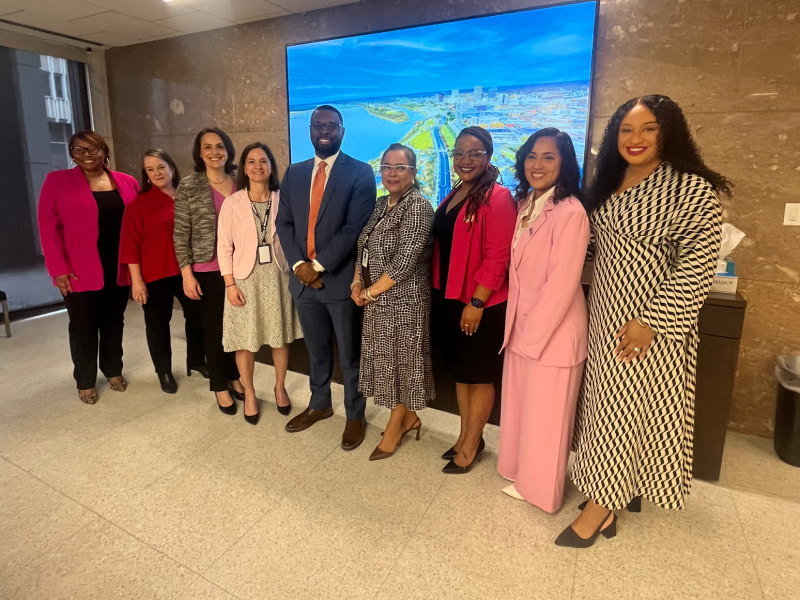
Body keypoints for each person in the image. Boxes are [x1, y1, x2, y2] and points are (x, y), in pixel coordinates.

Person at [560, 95, 730, 548]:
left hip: (646, 324)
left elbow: (697, 263)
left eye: (648, 129)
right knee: (604, 410)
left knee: (622, 414)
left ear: (668, 132)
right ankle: (611, 495)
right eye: (626, 130)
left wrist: (651, 321)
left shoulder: (691, 189)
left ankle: (600, 508)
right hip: (605, 315)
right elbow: (593, 249)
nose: (635, 140)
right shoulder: (611, 184)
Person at [496, 129, 590, 512]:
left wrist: (532, 336)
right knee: (522, 408)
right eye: (532, 156)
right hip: (522, 325)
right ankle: (518, 470)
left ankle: (541, 490)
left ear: (564, 163)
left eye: (549, 157)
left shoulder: (571, 212)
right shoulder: (527, 204)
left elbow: (561, 285)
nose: (538, 165)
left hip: (553, 333)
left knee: (548, 420)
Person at [276, 105, 376, 450]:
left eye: (331, 126)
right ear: (310, 130)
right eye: (318, 125)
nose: (324, 131)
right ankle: (319, 404)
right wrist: (298, 267)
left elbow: (354, 229)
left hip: (338, 282)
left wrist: (316, 267)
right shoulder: (294, 173)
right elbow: (284, 224)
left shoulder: (361, 173)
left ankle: (354, 415)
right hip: (303, 284)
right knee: (316, 351)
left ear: (342, 130)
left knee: (349, 356)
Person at [433, 126, 516, 474]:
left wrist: (478, 302)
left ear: (489, 157)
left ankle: (470, 445)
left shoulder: (497, 197)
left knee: (478, 376)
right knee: (463, 374)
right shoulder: (456, 192)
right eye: (460, 153)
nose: (466, 160)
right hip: (450, 298)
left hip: (479, 304)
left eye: (475, 153)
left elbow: (498, 256)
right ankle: (468, 435)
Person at [38, 131, 139, 404]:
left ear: (104, 151)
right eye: (79, 150)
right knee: (82, 325)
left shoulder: (127, 182)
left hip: (117, 266)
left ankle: (112, 369)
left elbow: (137, 224)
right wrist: (58, 269)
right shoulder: (57, 182)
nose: (86, 155)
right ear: (71, 154)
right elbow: (49, 228)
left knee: (113, 321)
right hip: (77, 270)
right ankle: (84, 379)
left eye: (92, 149)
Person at [351, 144, 435, 461]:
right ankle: (409, 418)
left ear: (413, 172)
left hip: (405, 303)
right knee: (387, 364)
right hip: (376, 299)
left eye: (400, 167)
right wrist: (357, 281)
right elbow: (364, 248)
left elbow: (402, 264)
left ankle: (396, 424)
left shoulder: (418, 208)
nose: (392, 173)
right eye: (386, 166)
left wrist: (369, 293)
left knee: (401, 365)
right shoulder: (381, 203)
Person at [218, 142, 303, 425]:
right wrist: (229, 284)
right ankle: (251, 392)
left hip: (279, 275)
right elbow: (224, 246)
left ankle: (280, 388)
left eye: (263, 161)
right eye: (251, 162)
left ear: (271, 167)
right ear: (244, 168)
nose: (257, 167)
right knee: (245, 340)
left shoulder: (284, 198)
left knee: (279, 337)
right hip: (244, 278)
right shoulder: (233, 202)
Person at [120, 149, 207, 394]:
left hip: (187, 271)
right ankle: (164, 371)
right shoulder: (139, 204)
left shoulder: (186, 196)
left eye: (160, 167)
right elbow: (129, 245)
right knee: (158, 323)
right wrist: (136, 281)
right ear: (146, 175)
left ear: (171, 168)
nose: (156, 173)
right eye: (150, 169)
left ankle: (197, 360)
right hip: (154, 274)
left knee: (197, 316)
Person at [173, 127, 245, 415]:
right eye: (207, 147)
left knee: (236, 329)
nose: (214, 152)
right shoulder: (189, 186)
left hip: (240, 267)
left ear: (228, 150)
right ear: (199, 153)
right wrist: (186, 273)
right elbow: (180, 234)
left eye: (219, 146)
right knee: (214, 330)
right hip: (206, 269)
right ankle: (218, 385)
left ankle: (233, 375)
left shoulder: (240, 183)